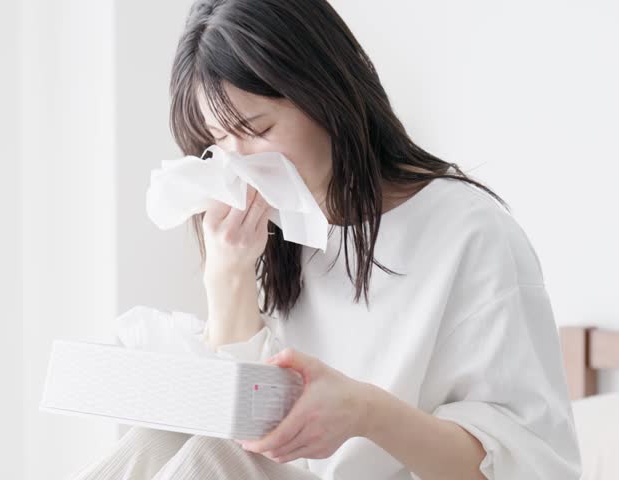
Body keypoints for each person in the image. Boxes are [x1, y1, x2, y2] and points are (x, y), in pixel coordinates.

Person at [70, 0, 582, 478]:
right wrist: (228, 275)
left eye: (255, 127)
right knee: (161, 438)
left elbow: (528, 465)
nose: (239, 164)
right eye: (220, 142)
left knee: (213, 453)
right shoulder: (291, 236)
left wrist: (364, 412)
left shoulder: (468, 233)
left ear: (325, 95)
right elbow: (249, 424)